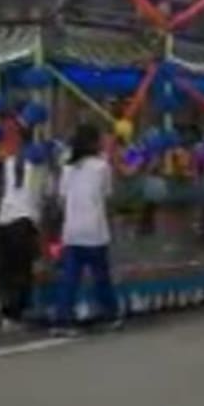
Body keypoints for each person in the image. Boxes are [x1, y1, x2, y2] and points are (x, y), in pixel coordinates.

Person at [53, 123, 119, 335]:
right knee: (101, 275)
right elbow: (107, 196)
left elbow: (61, 198)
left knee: (70, 278)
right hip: (95, 229)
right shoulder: (101, 167)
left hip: (72, 229)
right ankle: (109, 314)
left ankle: (64, 318)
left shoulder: (67, 167)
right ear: (94, 142)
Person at [0, 140, 44, 331]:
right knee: (21, 270)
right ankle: (15, 313)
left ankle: (6, 312)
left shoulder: (8, 162)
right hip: (24, 221)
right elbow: (37, 197)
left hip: (5, 219)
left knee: (8, 268)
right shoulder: (36, 168)